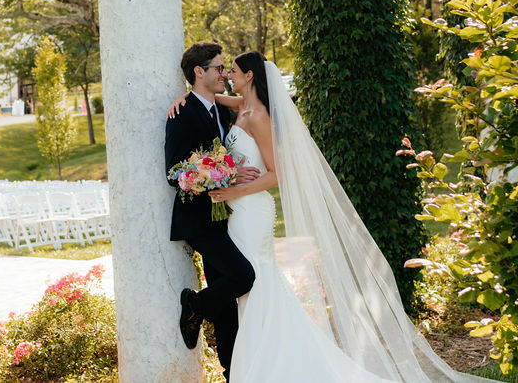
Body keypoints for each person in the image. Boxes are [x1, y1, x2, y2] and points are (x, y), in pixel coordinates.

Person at [171, 50, 493, 382]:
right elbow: (214, 99)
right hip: (237, 213)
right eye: (224, 71)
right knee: (254, 289)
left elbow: (278, 173)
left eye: (233, 71)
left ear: (250, 75)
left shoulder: (257, 116)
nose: (228, 76)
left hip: (250, 211)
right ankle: (254, 365)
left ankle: (262, 367)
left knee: (255, 285)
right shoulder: (242, 108)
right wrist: (185, 97)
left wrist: (231, 191)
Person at [165, 41, 260, 382]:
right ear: (198, 72)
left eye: (225, 68)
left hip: (226, 216)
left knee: (226, 305)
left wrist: (234, 171)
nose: (223, 73)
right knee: (243, 276)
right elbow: (173, 172)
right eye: (219, 68)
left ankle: (232, 373)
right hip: (199, 220)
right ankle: (193, 306)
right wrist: (221, 174)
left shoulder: (221, 110)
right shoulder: (181, 114)